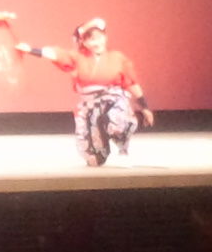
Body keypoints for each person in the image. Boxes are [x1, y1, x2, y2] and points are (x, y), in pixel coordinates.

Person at [16, 17, 154, 166]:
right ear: (84, 42)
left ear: (105, 37)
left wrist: (144, 107)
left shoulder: (117, 58)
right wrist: (30, 50)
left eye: (99, 38)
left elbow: (131, 83)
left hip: (113, 102)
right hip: (90, 106)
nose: (96, 43)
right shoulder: (78, 58)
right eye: (91, 39)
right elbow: (55, 54)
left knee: (117, 123)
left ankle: (119, 137)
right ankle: (99, 145)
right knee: (94, 159)